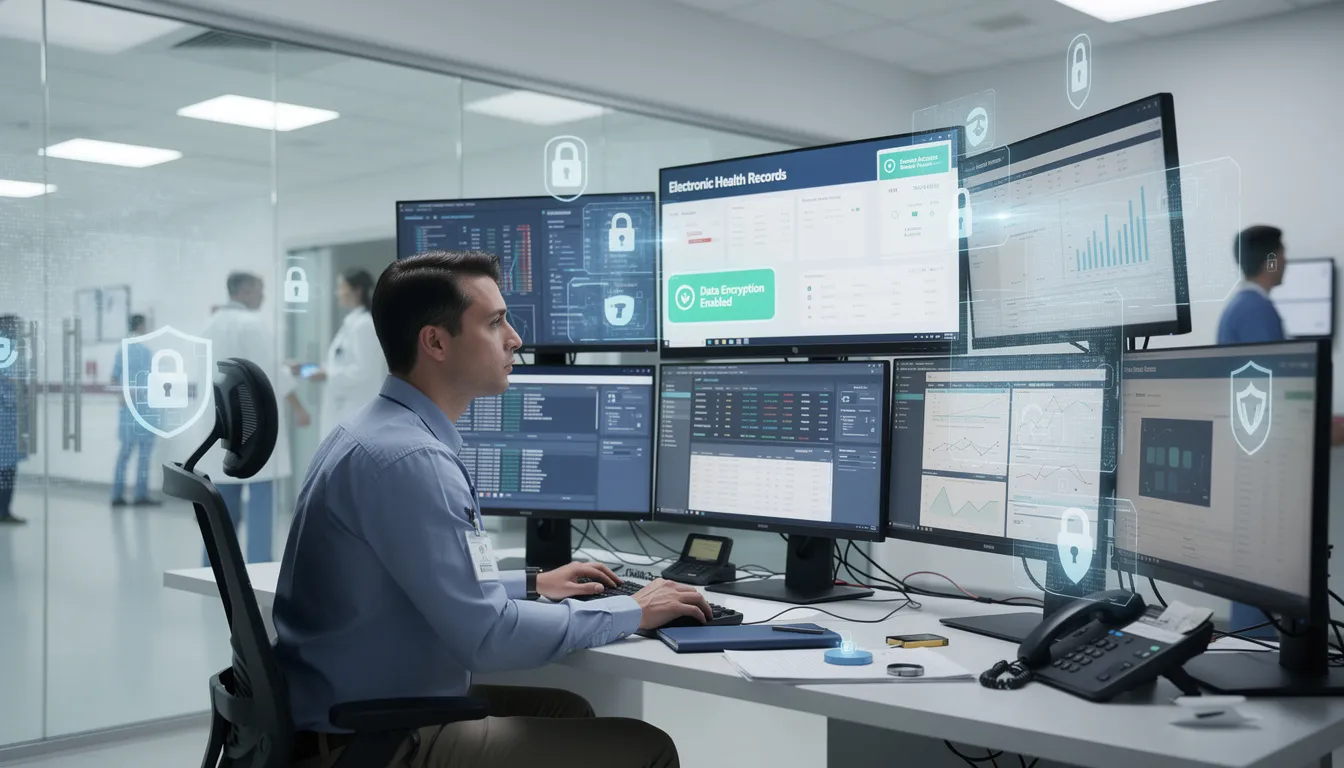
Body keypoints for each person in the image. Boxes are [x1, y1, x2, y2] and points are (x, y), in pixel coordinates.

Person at [274, 251, 702, 768]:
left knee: (566, 711)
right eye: (496, 322)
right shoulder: (411, 459)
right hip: (374, 741)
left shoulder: (374, 432)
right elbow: (487, 638)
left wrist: (531, 584)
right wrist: (631, 611)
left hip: (356, 714)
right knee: (648, 749)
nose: (515, 338)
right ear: (434, 341)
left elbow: (422, 583)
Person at [196, 272, 310, 563]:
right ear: (245, 291)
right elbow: (270, 374)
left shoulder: (208, 325)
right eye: (260, 290)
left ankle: (213, 570)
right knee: (262, 507)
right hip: (255, 428)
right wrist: (298, 406)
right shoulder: (253, 325)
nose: (263, 296)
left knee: (220, 511)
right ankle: (260, 569)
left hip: (219, 428)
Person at [300, 268, 386, 438]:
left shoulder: (364, 325)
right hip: (346, 412)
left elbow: (364, 370)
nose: (337, 293)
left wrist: (327, 375)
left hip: (357, 413)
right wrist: (310, 368)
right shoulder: (352, 324)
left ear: (357, 290)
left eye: (341, 287)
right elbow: (341, 363)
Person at [111, 314, 161, 506]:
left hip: (127, 409)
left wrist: (121, 396)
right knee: (144, 454)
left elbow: (114, 378)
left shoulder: (121, 350)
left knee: (125, 453)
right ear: (141, 325)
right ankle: (140, 495)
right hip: (143, 408)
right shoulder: (144, 351)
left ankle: (117, 495)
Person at [1216, 225, 1287, 345]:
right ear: (1271, 264)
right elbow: (1269, 360)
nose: (1286, 262)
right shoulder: (1256, 310)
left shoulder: (1243, 304)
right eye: (1282, 257)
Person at [0, 314, 27, 525]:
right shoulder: (6, 350)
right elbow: (12, 385)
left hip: (9, 421)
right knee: (7, 470)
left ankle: (4, 510)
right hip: (6, 421)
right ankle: (3, 512)